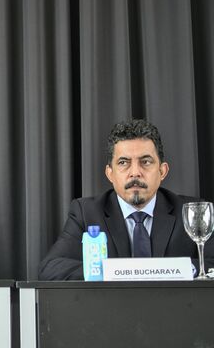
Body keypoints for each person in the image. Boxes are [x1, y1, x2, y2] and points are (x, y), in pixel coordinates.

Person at [39, 119, 214, 280]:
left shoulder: (192, 212)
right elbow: (51, 268)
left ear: (162, 171)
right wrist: (115, 271)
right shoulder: (86, 213)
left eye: (145, 162)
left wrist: (178, 270)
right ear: (110, 173)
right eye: (123, 162)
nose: (135, 172)